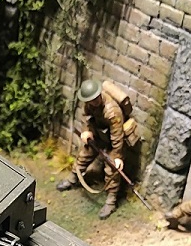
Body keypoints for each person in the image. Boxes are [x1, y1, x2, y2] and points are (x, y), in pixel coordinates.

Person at [56, 78, 135, 219]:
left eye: (95, 99)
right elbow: (87, 118)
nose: (94, 102)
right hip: (99, 135)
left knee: (112, 170)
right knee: (84, 155)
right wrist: (87, 131)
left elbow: (117, 137)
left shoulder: (112, 111)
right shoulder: (89, 105)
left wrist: (117, 156)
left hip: (114, 142)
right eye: (91, 100)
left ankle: (111, 201)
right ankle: (72, 179)